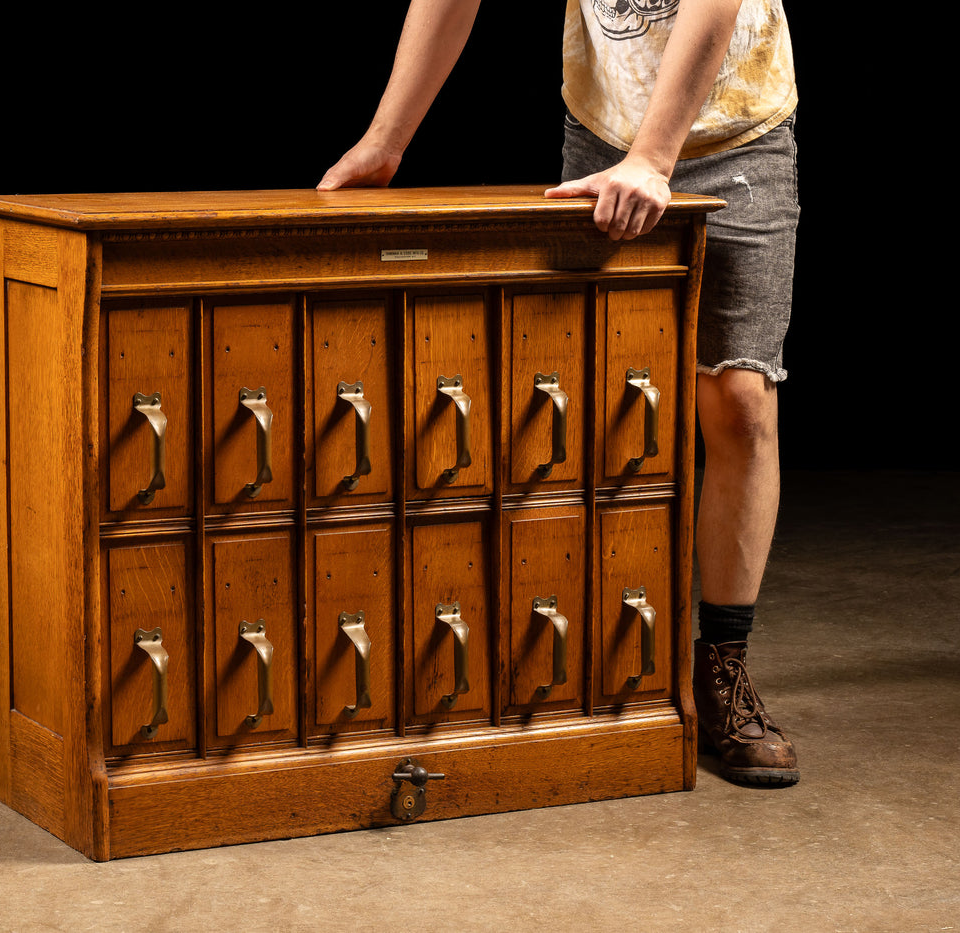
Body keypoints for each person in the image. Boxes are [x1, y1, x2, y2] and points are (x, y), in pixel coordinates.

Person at [319, 0, 801, 786]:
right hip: (606, 133)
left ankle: (722, 670)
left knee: (740, 402)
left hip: (736, 130)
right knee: (593, 405)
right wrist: (385, 141)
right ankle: (593, 663)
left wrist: (655, 157)